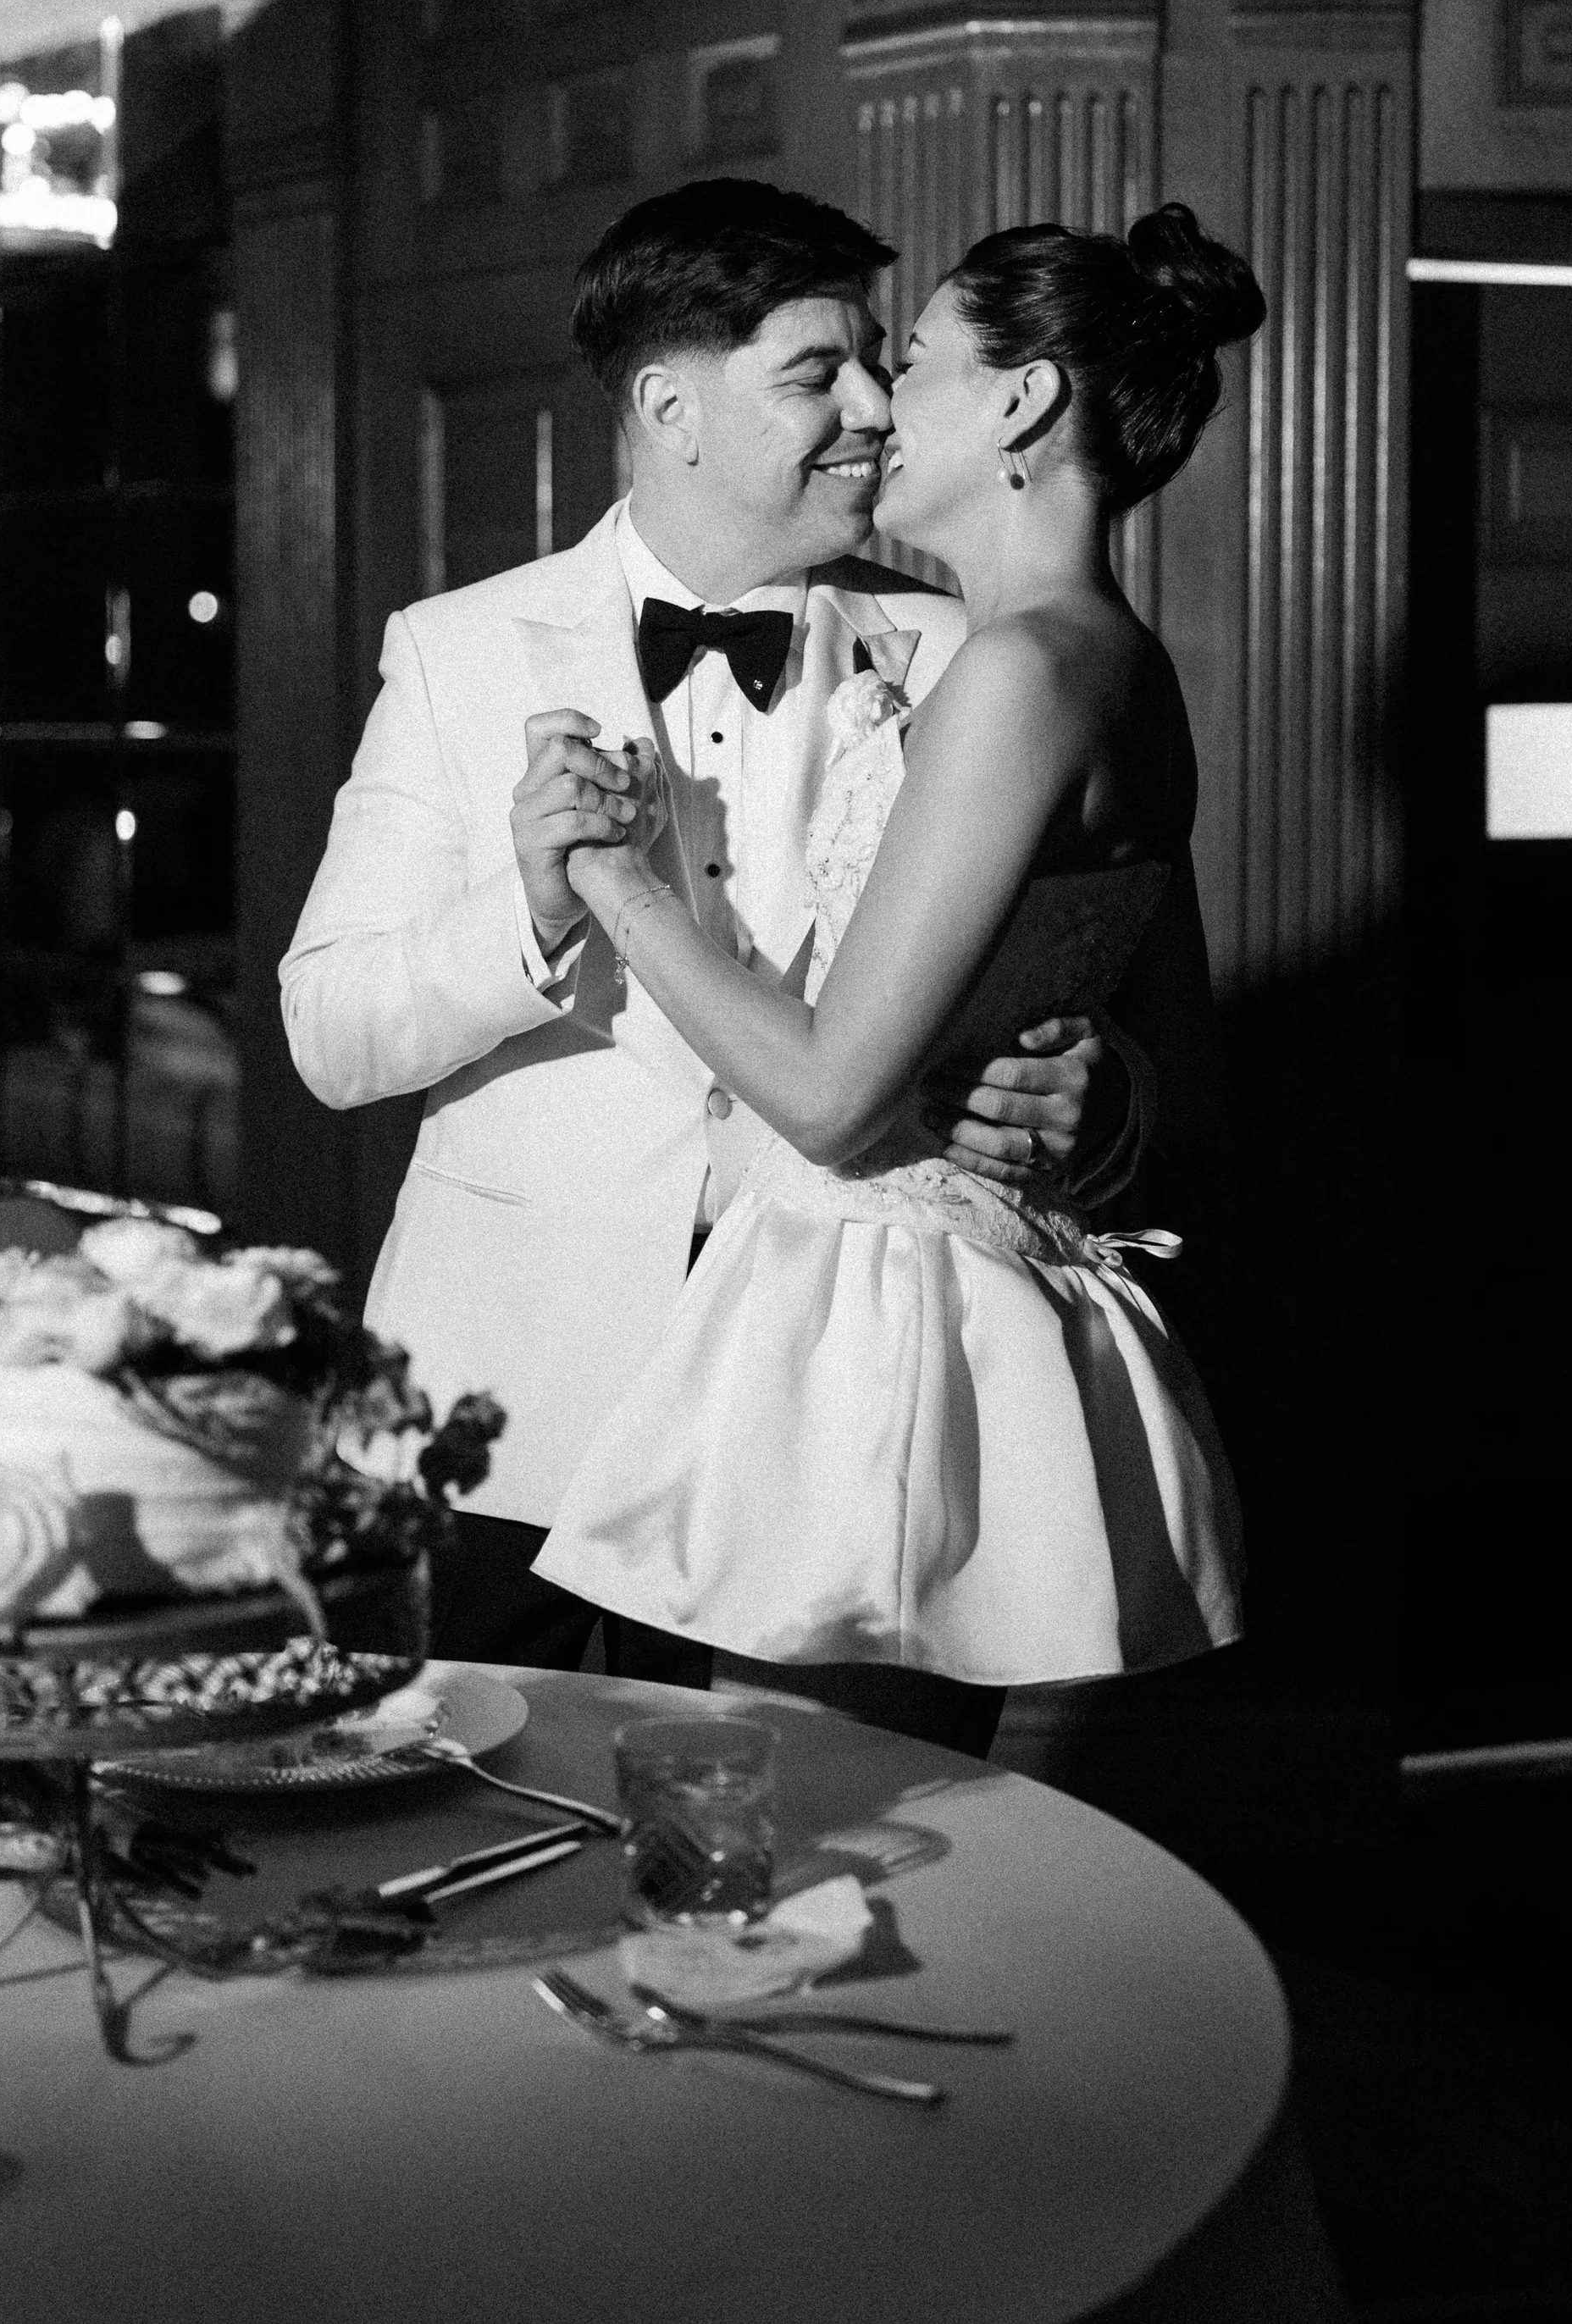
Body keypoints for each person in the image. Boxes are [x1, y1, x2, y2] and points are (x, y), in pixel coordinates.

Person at [280, 180, 1147, 1690]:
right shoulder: (457, 650)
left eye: (878, 361)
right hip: (495, 1409)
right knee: (426, 1796)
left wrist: (1098, 1095)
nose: (872, 408)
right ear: (670, 409)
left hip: (800, 1430)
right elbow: (329, 1032)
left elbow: (1100, 1000)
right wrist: (533, 906)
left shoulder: (965, 648)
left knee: (743, 1828)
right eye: (819, 372)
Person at [534, 207, 1263, 1756]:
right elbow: (1185, 1081)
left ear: (1023, 402)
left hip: (882, 1325)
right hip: (990, 1300)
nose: (875, 405)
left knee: (804, 1833)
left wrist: (611, 878)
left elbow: (826, 1092)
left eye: (912, 362)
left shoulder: (1015, 671)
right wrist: (1092, 1089)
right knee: (905, 1838)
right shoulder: (1122, 665)